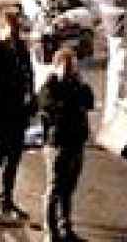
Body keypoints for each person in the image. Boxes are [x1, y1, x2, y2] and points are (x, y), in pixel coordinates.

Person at [0, 8, 36, 227]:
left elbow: (28, 74)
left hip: (19, 112)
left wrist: (29, 99)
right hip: (2, 113)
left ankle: (6, 202)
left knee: (13, 159)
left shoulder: (21, 47)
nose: (14, 35)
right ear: (1, 28)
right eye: (11, 30)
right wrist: (1, 108)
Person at [37, 48, 94, 242]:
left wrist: (80, 84)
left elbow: (89, 102)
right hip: (57, 143)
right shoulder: (49, 87)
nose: (70, 70)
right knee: (54, 188)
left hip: (76, 142)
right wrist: (71, 99)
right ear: (57, 67)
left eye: (73, 66)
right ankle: (50, 231)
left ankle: (65, 227)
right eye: (67, 66)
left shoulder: (78, 86)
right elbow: (52, 109)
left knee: (69, 188)